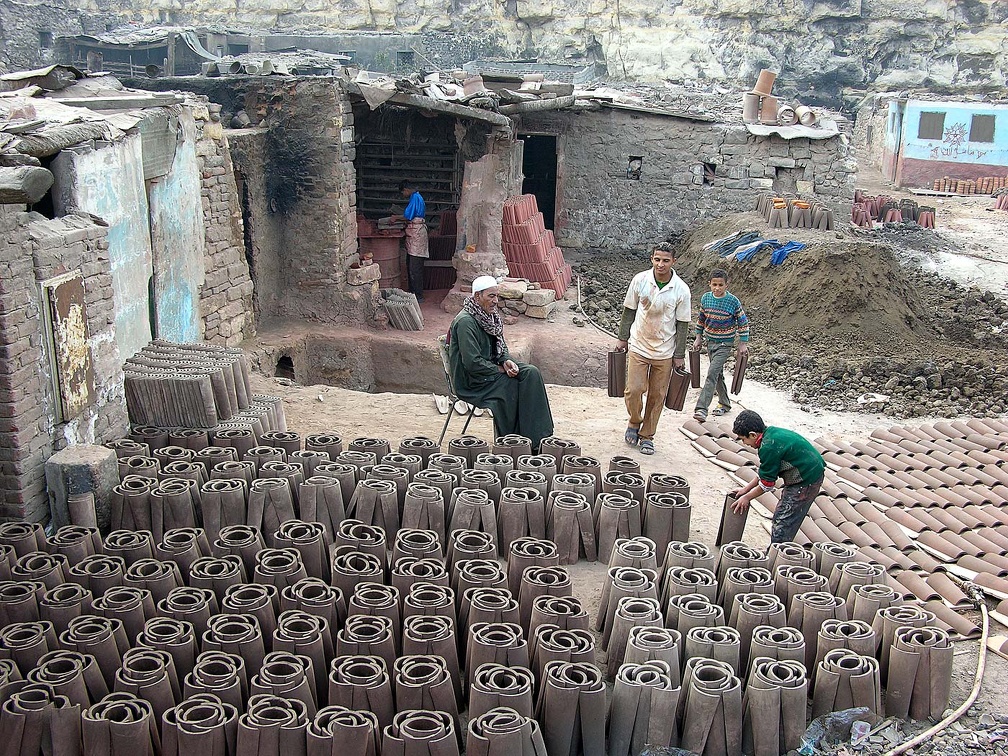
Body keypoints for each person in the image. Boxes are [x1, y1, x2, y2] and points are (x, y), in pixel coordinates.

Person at [448, 275, 554, 451]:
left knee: (531, 373)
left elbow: (501, 344)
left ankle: (538, 436)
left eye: (496, 296)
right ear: (477, 297)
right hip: (473, 380)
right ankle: (513, 443)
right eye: (491, 296)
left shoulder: (490, 316)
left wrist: (505, 361)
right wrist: (500, 369)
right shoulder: (466, 321)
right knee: (511, 386)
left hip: (491, 371)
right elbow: (472, 363)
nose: (495, 301)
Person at [616, 241, 692, 455]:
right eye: (657, 259)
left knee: (657, 396)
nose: (661, 264)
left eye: (666, 260)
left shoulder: (681, 290)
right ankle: (634, 421)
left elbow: (683, 324)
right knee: (633, 390)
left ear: (673, 262)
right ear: (652, 259)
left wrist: (679, 355)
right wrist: (622, 338)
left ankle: (647, 435)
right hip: (639, 345)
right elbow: (629, 310)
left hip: (664, 351)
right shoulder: (640, 280)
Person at [729, 409, 825, 543]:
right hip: (807, 472)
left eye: (743, 439)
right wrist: (745, 489)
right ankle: (777, 551)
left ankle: (778, 554)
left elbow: (766, 485)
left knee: (783, 522)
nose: (743, 443)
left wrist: (747, 497)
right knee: (782, 515)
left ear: (752, 435)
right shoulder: (770, 434)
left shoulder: (768, 447)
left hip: (807, 480)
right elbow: (765, 472)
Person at [693, 268, 749, 421]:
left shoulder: (733, 301)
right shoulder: (706, 299)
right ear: (709, 284)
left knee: (711, 373)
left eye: (720, 285)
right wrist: (698, 337)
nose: (717, 288)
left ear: (726, 285)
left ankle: (701, 409)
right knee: (717, 375)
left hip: (725, 343)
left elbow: (743, 322)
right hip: (710, 341)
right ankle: (724, 403)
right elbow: (701, 320)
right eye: (714, 285)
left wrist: (742, 343)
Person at [398, 181, 429, 302]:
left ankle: (418, 295)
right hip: (414, 233)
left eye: (403, 192)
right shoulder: (415, 196)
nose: (403, 194)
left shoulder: (415, 197)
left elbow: (408, 216)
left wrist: (395, 217)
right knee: (410, 264)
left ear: (406, 189)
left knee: (415, 267)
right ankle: (413, 292)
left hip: (417, 233)